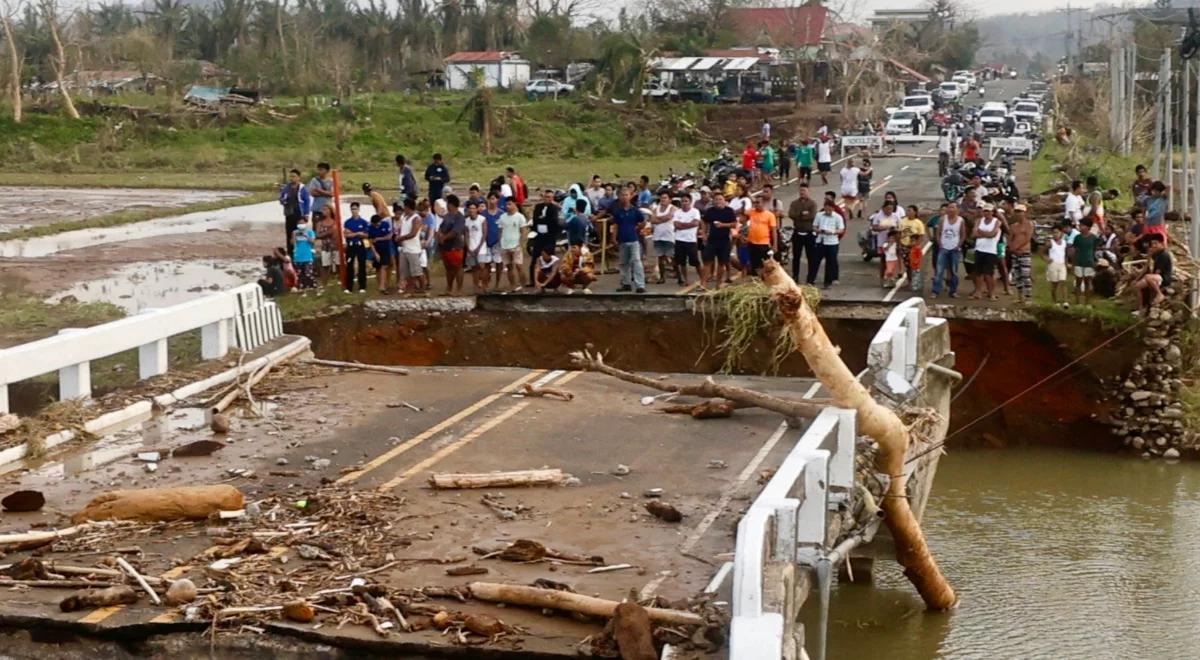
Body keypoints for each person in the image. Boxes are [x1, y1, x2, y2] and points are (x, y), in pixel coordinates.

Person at [610, 189, 647, 293]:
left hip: (633, 240)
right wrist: (613, 238)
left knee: (636, 262)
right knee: (623, 263)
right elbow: (616, 225)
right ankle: (626, 283)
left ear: (630, 196)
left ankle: (640, 285)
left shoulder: (635, 211)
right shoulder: (618, 212)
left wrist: (638, 228)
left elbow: (643, 221)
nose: (624, 197)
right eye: (622, 195)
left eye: (626, 195)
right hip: (622, 240)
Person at [702, 192, 737, 288]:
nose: (718, 201)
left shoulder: (729, 211)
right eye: (716, 199)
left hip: (724, 240)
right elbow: (704, 222)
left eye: (720, 199)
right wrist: (704, 234)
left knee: (722, 263)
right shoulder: (710, 211)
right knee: (707, 262)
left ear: (724, 201)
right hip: (712, 239)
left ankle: (718, 284)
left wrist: (723, 225)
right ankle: (703, 283)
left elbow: (734, 224)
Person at [931, 202, 964, 299]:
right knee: (939, 270)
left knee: (954, 271)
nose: (950, 209)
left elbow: (962, 234)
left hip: (954, 248)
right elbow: (938, 232)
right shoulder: (942, 219)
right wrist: (940, 244)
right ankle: (935, 291)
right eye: (949, 207)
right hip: (943, 248)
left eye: (953, 207)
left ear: (957, 209)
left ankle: (953, 291)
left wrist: (958, 245)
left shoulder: (960, 221)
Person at [809, 198, 844, 288]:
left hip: (832, 242)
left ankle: (827, 282)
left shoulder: (837, 217)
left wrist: (833, 232)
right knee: (815, 261)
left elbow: (841, 229)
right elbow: (814, 227)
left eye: (829, 209)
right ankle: (810, 280)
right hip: (820, 241)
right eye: (826, 208)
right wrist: (818, 230)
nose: (827, 211)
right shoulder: (819, 215)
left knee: (830, 263)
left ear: (833, 208)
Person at [529, 189, 562, 284]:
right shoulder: (538, 207)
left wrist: (543, 220)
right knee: (535, 257)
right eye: (546, 197)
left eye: (549, 197)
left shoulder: (553, 208)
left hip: (549, 236)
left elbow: (553, 221)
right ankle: (533, 280)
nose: (547, 199)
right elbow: (535, 219)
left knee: (550, 258)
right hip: (539, 235)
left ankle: (551, 280)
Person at [1133, 233, 1172, 311]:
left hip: (1163, 278)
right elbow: (1147, 267)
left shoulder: (1164, 255)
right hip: (1154, 277)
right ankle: (1141, 308)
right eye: (1153, 243)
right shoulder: (1155, 255)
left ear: (1161, 243)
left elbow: (1158, 272)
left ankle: (1159, 294)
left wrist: (1147, 279)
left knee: (1147, 277)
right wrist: (1137, 279)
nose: (1154, 245)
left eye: (1156, 243)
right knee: (1137, 286)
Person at [393, 198, 424, 293]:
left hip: (413, 249)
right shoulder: (404, 217)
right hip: (404, 248)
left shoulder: (416, 218)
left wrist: (401, 238)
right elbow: (403, 230)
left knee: (417, 272)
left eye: (404, 207)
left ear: (407, 207)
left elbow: (413, 233)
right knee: (406, 273)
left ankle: (422, 288)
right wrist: (399, 236)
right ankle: (411, 290)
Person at [279, 169, 312, 258]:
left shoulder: (302, 188)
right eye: (290, 176)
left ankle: (302, 253)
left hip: (299, 214)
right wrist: (284, 201)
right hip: (289, 214)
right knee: (290, 234)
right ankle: (291, 254)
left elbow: (307, 202)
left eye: (294, 176)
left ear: (298, 177)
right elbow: (281, 199)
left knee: (301, 233)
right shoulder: (286, 188)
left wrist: (306, 215)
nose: (291, 178)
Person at [438, 195, 467, 295]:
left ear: (451, 204)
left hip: (455, 245)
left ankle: (459, 289)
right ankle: (449, 288)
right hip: (445, 246)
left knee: (457, 267)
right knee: (448, 268)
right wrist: (440, 235)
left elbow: (456, 231)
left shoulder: (459, 217)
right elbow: (441, 228)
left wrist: (444, 237)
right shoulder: (447, 216)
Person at [869, 200, 903, 287]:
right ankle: (882, 279)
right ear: (883, 208)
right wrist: (883, 228)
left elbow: (900, 228)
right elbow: (874, 228)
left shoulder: (895, 216)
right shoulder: (878, 216)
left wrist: (895, 231)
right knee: (884, 261)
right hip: (882, 241)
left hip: (893, 242)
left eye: (891, 209)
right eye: (887, 209)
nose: (889, 211)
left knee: (893, 261)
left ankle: (892, 278)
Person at [498, 198, 529, 291]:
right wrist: (500, 242)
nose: (507, 206)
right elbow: (500, 231)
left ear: (514, 204)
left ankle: (524, 285)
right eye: (506, 204)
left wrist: (521, 244)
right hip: (505, 245)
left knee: (519, 266)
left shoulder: (520, 217)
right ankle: (513, 285)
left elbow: (523, 231)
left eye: (510, 204)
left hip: (516, 245)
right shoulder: (502, 217)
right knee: (509, 267)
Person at [971, 204, 1001, 301]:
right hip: (979, 249)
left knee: (989, 274)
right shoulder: (979, 221)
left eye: (988, 211)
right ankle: (978, 291)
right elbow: (974, 234)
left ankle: (991, 293)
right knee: (978, 273)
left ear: (992, 212)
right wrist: (985, 234)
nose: (986, 213)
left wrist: (981, 232)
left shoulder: (996, 222)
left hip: (991, 251)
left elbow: (992, 234)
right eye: (985, 211)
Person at [672, 195, 702, 286]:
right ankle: (686, 280)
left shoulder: (695, 211)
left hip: (691, 240)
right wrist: (689, 224)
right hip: (679, 239)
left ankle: (702, 278)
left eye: (686, 201)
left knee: (695, 261)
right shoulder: (677, 212)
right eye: (683, 201)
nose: (684, 203)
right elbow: (676, 225)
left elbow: (696, 223)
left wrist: (682, 225)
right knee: (682, 262)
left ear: (690, 202)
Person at [1007, 203, 1034, 305]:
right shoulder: (1013, 226)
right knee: (1017, 275)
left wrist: (1016, 247)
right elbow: (1009, 238)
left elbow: (1027, 239)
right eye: (1017, 212)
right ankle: (1020, 297)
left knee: (1025, 275)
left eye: (1020, 212)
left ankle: (1028, 297)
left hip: (1024, 251)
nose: (1018, 214)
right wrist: (1012, 248)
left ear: (1024, 213)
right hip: (1015, 252)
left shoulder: (1029, 224)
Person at [745, 195, 777, 275]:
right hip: (751, 243)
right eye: (755, 202)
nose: (756, 204)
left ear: (763, 203)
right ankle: (755, 280)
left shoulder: (770, 215)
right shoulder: (751, 212)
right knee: (753, 264)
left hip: (763, 244)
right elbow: (742, 213)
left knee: (763, 265)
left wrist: (775, 245)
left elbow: (773, 231)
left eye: (758, 202)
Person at [649, 192, 677, 284]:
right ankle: (662, 277)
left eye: (665, 198)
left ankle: (677, 273)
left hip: (669, 236)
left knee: (672, 256)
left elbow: (669, 217)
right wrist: (660, 219)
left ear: (669, 199)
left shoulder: (672, 208)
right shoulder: (656, 208)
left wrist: (658, 219)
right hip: (658, 235)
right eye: (661, 198)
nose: (663, 200)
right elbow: (652, 220)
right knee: (660, 257)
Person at [343, 202, 370, 293]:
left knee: (361, 265)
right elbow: (347, 234)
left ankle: (362, 286)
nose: (354, 211)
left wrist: (354, 234)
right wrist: (358, 233)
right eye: (352, 209)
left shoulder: (364, 222)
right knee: (350, 265)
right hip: (351, 245)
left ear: (358, 209)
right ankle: (349, 287)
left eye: (355, 209)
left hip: (360, 245)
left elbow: (365, 235)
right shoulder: (348, 222)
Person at [479, 192, 504, 291]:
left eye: (494, 199)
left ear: (497, 200)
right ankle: (485, 284)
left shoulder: (501, 214)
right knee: (486, 264)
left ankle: (497, 283)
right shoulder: (483, 214)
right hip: (486, 242)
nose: (492, 201)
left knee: (499, 263)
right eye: (490, 199)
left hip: (498, 242)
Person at [899, 205, 926, 293]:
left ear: (915, 212)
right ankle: (909, 282)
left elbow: (921, 236)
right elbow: (899, 233)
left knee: (914, 266)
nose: (908, 212)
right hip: (904, 246)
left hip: (913, 248)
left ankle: (916, 283)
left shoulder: (918, 223)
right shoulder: (902, 221)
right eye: (907, 211)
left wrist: (917, 245)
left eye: (910, 211)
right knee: (907, 265)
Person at [1072, 217, 1098, 305]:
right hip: (1079, 261)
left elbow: (1094, 250)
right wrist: (1073, 263)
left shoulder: (1093, 238)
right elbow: (1075, 250)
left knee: (1087, 282)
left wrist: (1094, 261)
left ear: (1088, 227)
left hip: (1089, 262)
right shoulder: (1077, 238)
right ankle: (1077, 302)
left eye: (1082, 225)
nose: (1080, 227)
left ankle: (1087, 302)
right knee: (1078, 282)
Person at [367, 213, 393, 295]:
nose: (377, 225)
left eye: (378, 224)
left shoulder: (385, 224)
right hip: (376, 249)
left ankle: (382, 286)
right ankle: (380, 285)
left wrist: (379, 238)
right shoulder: (370, 228)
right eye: (375, 224)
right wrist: (375, 253)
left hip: (385, 249)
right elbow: (370, 241)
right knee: (378, 268)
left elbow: (389, 236)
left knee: (384, 266)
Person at [1045, 224, 1069, 307]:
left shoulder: (1064, 243)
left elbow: (1065, 254)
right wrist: (1046, 258)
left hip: (1061, 264)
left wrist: (1066, 263)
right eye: (1054, 233)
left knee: (1063, 281)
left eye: (1057, 232)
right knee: (1054, 284)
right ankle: (1055, 301)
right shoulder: (1050, 243)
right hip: (1053, 264)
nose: (1055, 234)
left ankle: (1065, 301)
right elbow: (1041, 251)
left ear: (1061, 233)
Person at [308, 163, 334, 236]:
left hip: (328, 208)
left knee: (329, 229)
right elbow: (312, 193)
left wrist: (319, 190)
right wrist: (326, 193)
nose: (319, 171)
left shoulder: (331, 181)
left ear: (327, 171)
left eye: (321, 170)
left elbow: (332, 194)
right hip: (317, 208)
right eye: (318, 170)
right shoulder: (314, 180)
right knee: (315, 229)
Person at [291, 216, 316, 290]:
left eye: (302, 222)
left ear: (305, 223)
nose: (301, 224)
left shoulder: (309, 232)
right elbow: (292, 242)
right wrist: (294, 238)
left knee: (308, 273)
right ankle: (301, 286)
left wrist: (306, 236)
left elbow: (313, 242)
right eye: (299, 223)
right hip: (298, 255)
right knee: (299, 273)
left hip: (307, 255)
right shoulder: (295, 232)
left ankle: (310, 286)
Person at [314, 206, 337, 285]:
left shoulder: (335, 222)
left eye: (325, 209)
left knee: (338, 264)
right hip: (325, 246)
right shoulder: (320, 223)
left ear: (330, 211)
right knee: (325, 266)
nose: (323, 211)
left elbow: (337, 234)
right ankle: (324, 284)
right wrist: (328, 233)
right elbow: (317, 235)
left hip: (335, 246)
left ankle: (341, 281)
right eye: (322, 209)